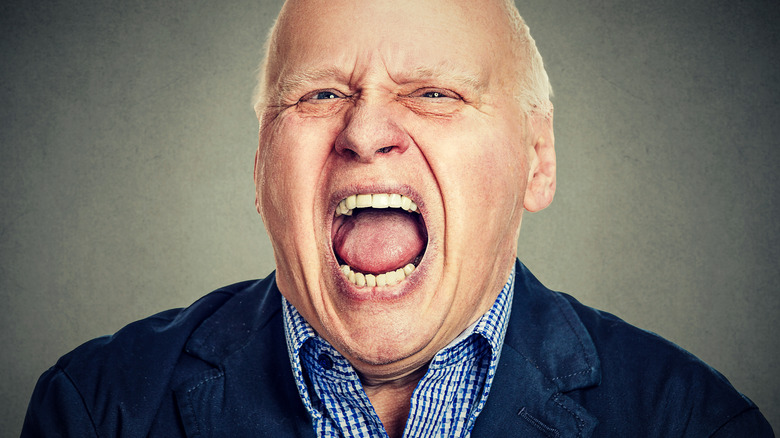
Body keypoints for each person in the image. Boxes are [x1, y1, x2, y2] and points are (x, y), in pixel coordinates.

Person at [22, 0, 773, 436]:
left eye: (434, 93)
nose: (365, 130)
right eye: (319, 94)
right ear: (259, 170)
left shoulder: (696, 424)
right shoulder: (97, 410)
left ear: (537, 161)